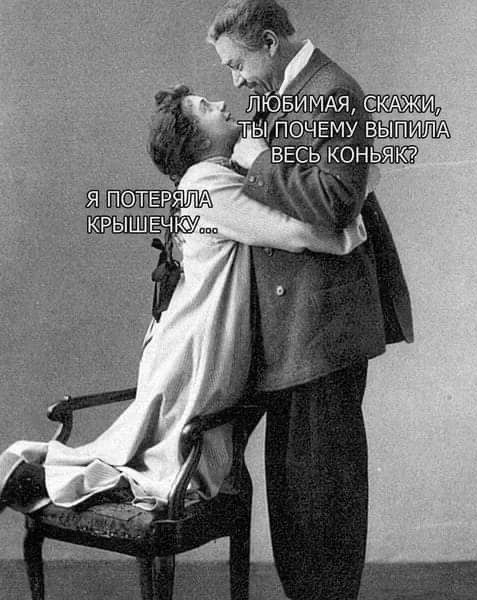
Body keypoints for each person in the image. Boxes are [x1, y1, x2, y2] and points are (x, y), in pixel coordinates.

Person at [0, 85, 369, 517]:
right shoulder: (209, 184)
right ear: (196, 140)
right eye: (205, 108)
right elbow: (298, 232)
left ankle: (29, 476)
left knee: (157, 452)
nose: (221, 103)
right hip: (195, 340)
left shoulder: (212, 178)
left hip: (185, 332)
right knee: (164, 463)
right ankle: (31, 478)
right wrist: (354, 211)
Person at [208, 1, 414, 599]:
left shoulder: (335, 91)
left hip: (324, 329)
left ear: (270, 43)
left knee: (326, 499)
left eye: (238, 64)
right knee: (295, 497)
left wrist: (256, 161)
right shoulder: (281, 92)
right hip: (291, 331)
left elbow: (336, 201)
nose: (236, 81)